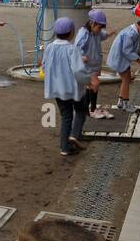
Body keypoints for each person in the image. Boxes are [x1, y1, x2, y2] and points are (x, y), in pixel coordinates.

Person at [42, 17, 88, 156]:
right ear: (72, 33)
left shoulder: (49, 47)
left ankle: (65, 146)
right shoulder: (71, 49)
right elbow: (78, 71)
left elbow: (44, 66)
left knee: (66, 115)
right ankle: (74, 135)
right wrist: (88, 80)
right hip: (71, 88)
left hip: (56, 88)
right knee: (81, 110)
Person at [108, 13, 140, 112]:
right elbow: (127, 51)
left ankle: (121, 102)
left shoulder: (137, 33)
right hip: (119, 59)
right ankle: (125, 104)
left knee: (126, 79)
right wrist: (139, 61)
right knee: (127, 79)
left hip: (121, 59)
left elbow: (135, 50)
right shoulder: (131, 34)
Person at [76, 9, 111, 118]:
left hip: (94, 64)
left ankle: (86, 109)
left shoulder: (96, 32)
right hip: (86, 66)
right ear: (92, 23)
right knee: (95, 84)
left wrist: (108, 34)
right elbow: (77, 47)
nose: (100, 30)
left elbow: (102, 35)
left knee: (90, 86)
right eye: (99, 27)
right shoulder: (84, 33)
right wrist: (81, 56)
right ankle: (93, 109)